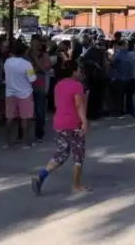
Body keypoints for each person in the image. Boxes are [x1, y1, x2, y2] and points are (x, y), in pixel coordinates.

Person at [31, 60, 90, 195]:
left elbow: (58, 103)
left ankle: (41, 176)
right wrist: (84, 121)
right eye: (79, 69)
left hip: (60, 122)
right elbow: (79, 105)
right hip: (73, 123)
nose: (80, 72)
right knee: (78, 154)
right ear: (74, 71)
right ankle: (76, 185)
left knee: (61, 153)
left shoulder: (58, 85)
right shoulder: (77, 86)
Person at [3, 41, 36, 149]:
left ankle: (7, 142)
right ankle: (25, 143)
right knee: (25, 118)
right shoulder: (27, 64)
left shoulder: (7, 62)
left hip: (10, 92)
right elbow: (32, 79)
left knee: (9, 117)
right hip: (25, 93)